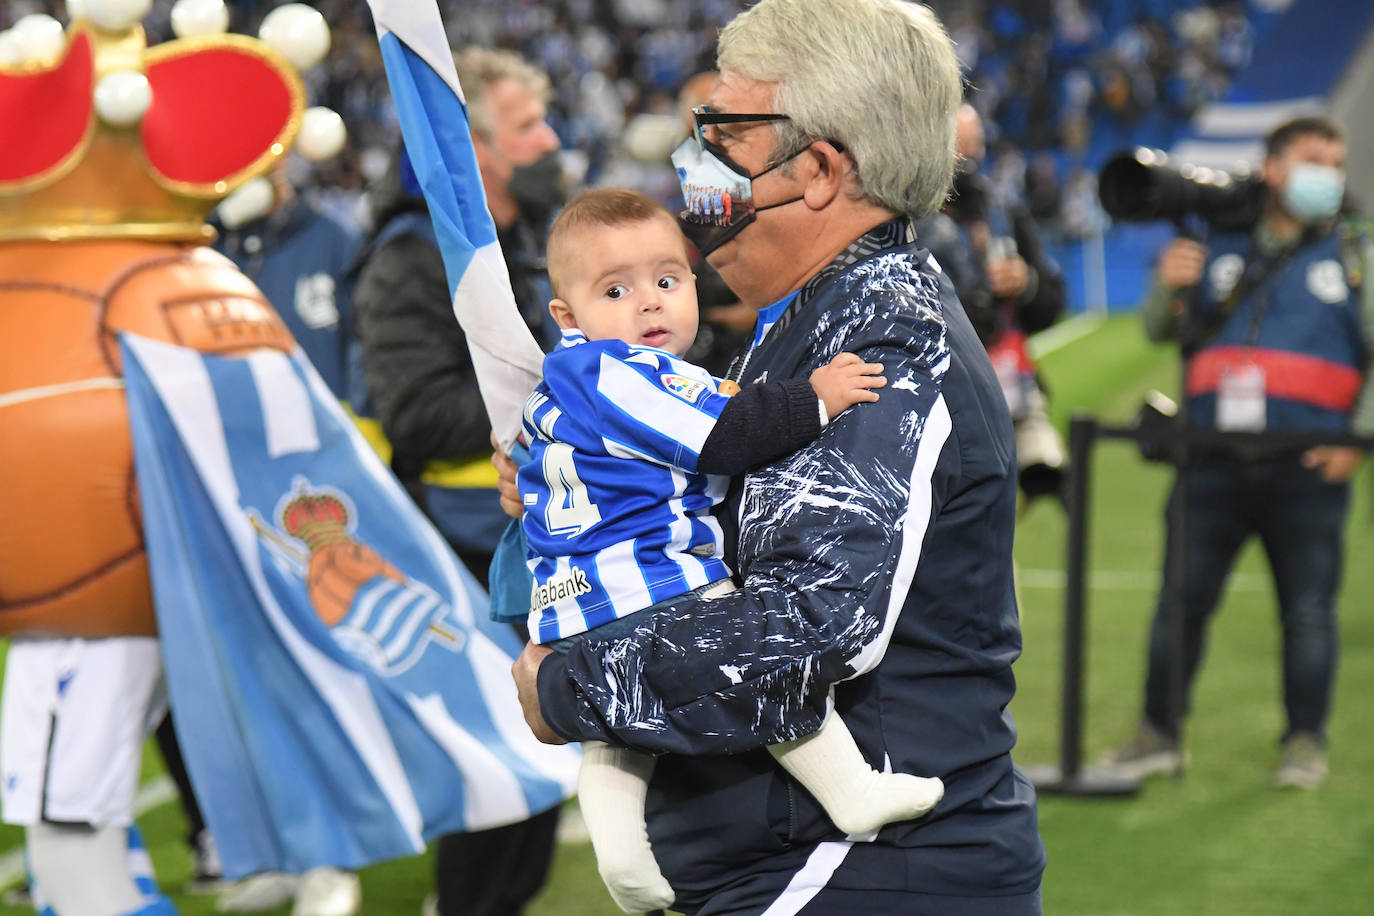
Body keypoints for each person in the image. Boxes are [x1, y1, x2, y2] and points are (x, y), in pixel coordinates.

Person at [507, 1, 1046, 912]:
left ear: (822, 170)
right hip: (811, 864)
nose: (695, 161)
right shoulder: (814, 317)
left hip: (861, 867)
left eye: (723, 132)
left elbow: (804, 634)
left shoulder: (882, 344)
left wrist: (566, 687)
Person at [521, 188, 943, 912]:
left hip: (574, 601)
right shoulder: (619, 370)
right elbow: (726, 434)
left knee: (615, 737)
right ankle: (851, 792)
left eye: (666, 280)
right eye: (617, 290)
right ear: (568, 318)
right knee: (767, 668)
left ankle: (623, 859)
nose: (650, 304)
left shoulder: (558, 387)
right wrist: (817, 396)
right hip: (655, 580)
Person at [1100, 115, 1374, 790]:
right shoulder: (1216, 240)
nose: (1330, 176)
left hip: (1309, 468)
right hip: (1209, 462)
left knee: (1308, 613)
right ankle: (1158, 734)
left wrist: (1357, 444)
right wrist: (1168, 281)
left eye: (1337, 163)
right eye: (1316, 159)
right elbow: (1161, 328)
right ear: (1273, 169)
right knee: (1179, 604)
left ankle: (1304, 742)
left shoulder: (1354, 251)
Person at [352, 46, 564, 916]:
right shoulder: (411, 256)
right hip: (469, 553)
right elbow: (414, 413)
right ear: (473, 147)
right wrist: (563, 399)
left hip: (538, 546)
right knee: (496, 784)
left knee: (543, 774)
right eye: (526, 127)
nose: (549, 142)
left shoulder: (527, 242)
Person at [917, 103, 1068, 502]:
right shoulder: (912, 219)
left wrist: (1026, 283)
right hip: (941, 395)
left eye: (975, 147)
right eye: (958, 149)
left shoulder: (1004, 213)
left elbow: (1052, 302)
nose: (968, 161)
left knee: (1049, 474)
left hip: (1007, 386)